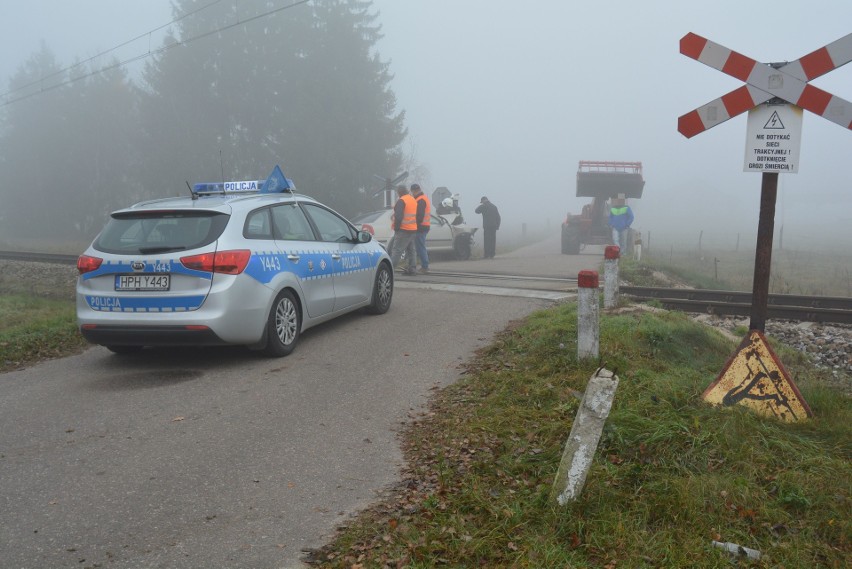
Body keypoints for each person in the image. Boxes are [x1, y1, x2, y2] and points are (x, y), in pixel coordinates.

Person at [389, 185, 418, 275]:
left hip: (403, 230)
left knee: (396, 250)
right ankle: (412, 269)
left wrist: (397, 228)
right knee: (411, 250)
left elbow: (398, 216)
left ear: (399, 192)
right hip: (412, 229)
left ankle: (389, 270)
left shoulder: (401, 201)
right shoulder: (412, 200)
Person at [411, 183, 430, 274]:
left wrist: (415, 225)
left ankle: (425, 266)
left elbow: (420, 216)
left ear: (414, 191)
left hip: (421, 227)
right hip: (424, 226)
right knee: (420, 246)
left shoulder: (420, 200)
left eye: (412, 192)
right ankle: (424, 265)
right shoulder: (423, 198)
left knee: (420, 247)